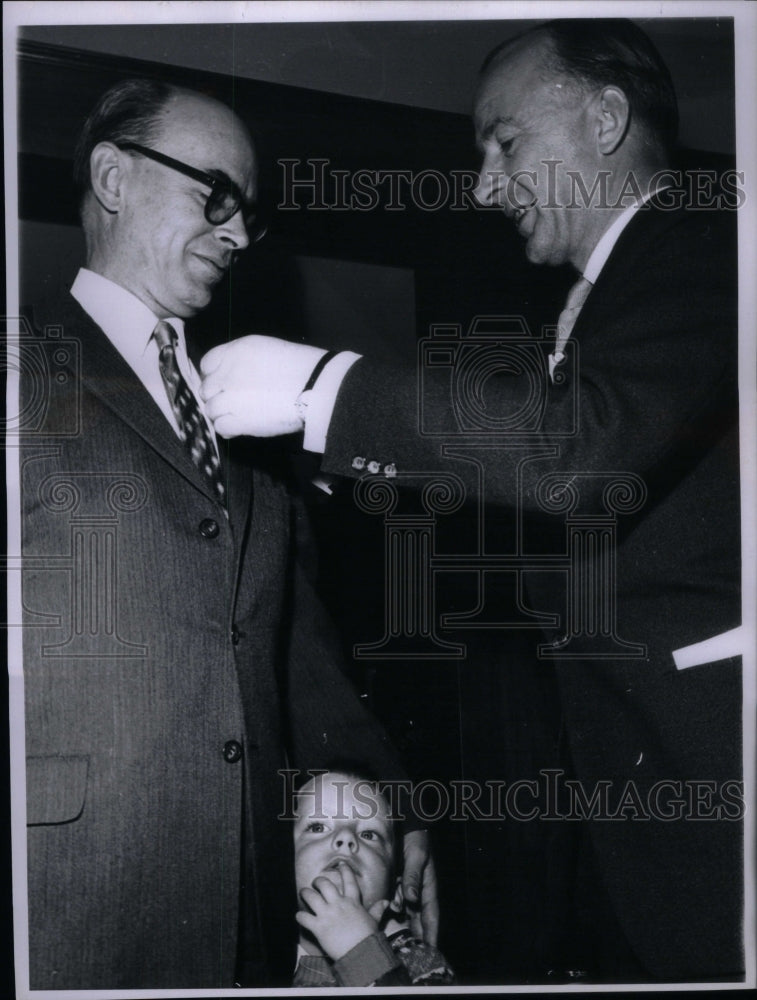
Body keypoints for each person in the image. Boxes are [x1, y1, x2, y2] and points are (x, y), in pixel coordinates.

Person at [199, 20, 743, 982]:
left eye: (505, 141)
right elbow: (565, 511)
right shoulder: (614, 291)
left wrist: (327, 389)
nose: (487, 184)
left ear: (606, 118)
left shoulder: (710, 238)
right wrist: (336, 462)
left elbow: (580, 452)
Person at [19, 77, 435, 990]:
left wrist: (390, 807)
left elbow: (292, 648)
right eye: (215, 197)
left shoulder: (243, 407)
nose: (239, 234)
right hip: (62, 893)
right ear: (113, 178)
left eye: (249, 213)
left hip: (244, 902)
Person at [290, 767, 455, 987]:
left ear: (396, 895)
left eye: (369, 834)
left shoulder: (419, 961)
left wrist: (361, 953)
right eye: (318, 826)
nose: (345, 837)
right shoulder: (256, 961)